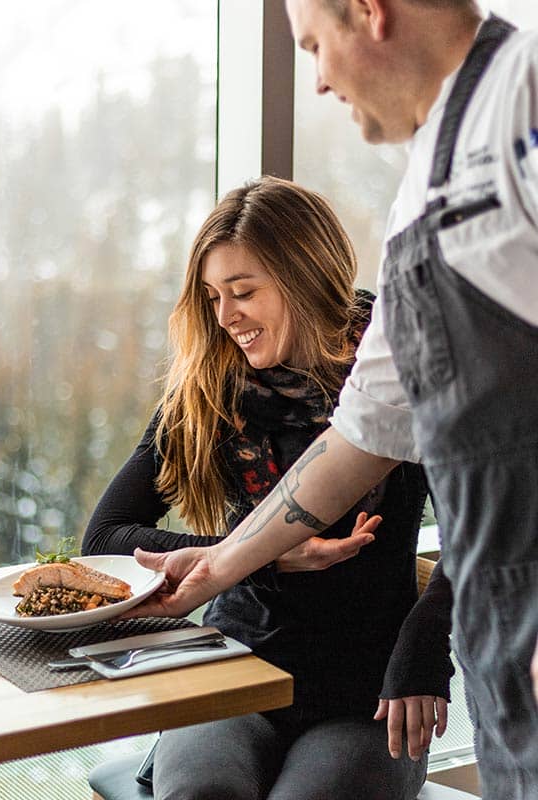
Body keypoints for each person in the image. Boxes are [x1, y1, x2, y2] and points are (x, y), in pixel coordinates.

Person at [127, 3, 538, 799]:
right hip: (500, 642)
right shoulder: (425, 187)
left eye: (315, 44)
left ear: (370, 13)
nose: (316, 78)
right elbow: (362, 436)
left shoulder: (524, 99)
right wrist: (216, 567)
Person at [83, 175, 454, 800]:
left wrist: (425, 649)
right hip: (233, 667)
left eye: (243, 292)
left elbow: (481, 528)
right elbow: (106, 536)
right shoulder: (211, 387)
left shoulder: (397, 371)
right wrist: (261, 552)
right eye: (213, 296)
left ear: (305, 276)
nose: (225, 317)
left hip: (365, 687)